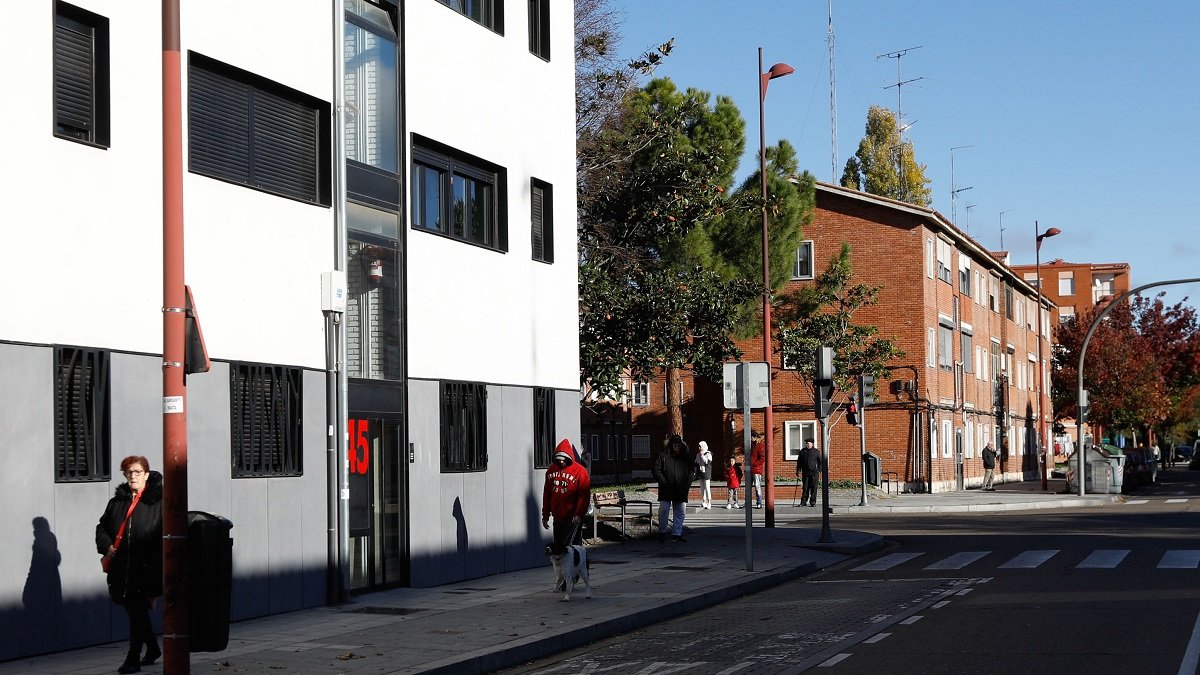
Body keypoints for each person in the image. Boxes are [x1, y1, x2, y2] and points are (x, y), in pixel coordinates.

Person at [96, 455, 163, 674]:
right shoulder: (117, 501)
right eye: (128, 473)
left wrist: (151, 561)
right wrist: (106, 547)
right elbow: (102, 527)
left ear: (146, 474)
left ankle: (132, 658)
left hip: (145, 568)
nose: (132, 476)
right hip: (121, 567)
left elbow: (165, 535)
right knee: (135, 610)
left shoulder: (158, 501)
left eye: (136, 472)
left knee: (136, 611)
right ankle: (152, 649)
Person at [542, 439, 591, 559]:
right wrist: (545, 515)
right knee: (559, 549)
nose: (561, 462)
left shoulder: (580, 472)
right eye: (558, 460)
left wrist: (579, 514)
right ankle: (562, 575)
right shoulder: (551, 471)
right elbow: (547, 494)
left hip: (573, 518)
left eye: (563, 460)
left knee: (573, 548)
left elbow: (584, 495)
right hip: (558, 517)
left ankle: (574, 572)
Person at [654, 434, 695, 542]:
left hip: (681, 489)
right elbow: (656, 470)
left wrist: (687, 484)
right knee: (664, 510)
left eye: (678, 443)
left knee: (680, 512)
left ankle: (677, 534)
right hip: (666, 488)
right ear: (671, 444)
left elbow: (692, 471)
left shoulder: (686, 456)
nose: (677, 445)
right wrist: (663, 482)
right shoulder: (662, 455)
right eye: (675, 443)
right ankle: (662, 532)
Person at [797, 439, 821, 507]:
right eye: (807, 443)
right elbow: (799, 462)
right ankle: (803, 502)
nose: (807, 444)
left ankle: (813, 502)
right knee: (805, 488)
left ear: (812, 444)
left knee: (814, 488)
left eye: (809, 443)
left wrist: (820, 469)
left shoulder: (816, 452)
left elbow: (820, 461)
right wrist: (798, 470)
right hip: (805, 472)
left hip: (814, 472)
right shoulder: (803, 451)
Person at [694, 441, 713, 509]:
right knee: (702, 488)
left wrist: (702, 455)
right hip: (700, 472)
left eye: (700, 446)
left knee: (707, 487)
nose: (699, 448)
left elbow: (707, 462)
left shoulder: (708, 454)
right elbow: (696, 463)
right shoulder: (698, 454)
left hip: (706, 472)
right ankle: (704, 501)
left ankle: (709, 502)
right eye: (698, 446)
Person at [749, 431, 766, 508]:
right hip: (750, 468)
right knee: (748, 486)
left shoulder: (759, 446)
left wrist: (754, 464)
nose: (751, 438)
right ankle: (748, 502)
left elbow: (762, 458)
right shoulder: (751, 445)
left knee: (757, 486)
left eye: (752, 437)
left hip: (756, 469)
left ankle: (759, 502)